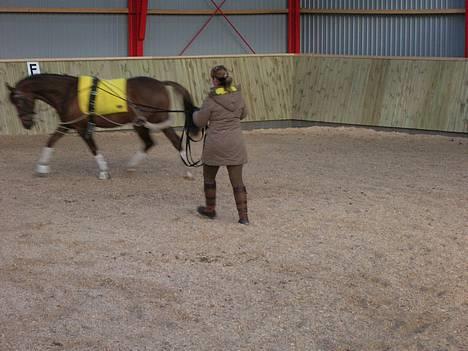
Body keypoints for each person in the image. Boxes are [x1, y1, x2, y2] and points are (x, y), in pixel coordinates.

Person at [193, 65, 249, 225]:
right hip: (235, 143)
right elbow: (243, 114)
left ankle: (210, 210)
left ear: (215, 80)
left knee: (209, 177)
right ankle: (243, 217)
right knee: (238, 182)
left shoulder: (210, 99)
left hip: (215, 144)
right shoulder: (238, 95)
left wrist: (195, 113)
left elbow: (200, 121)